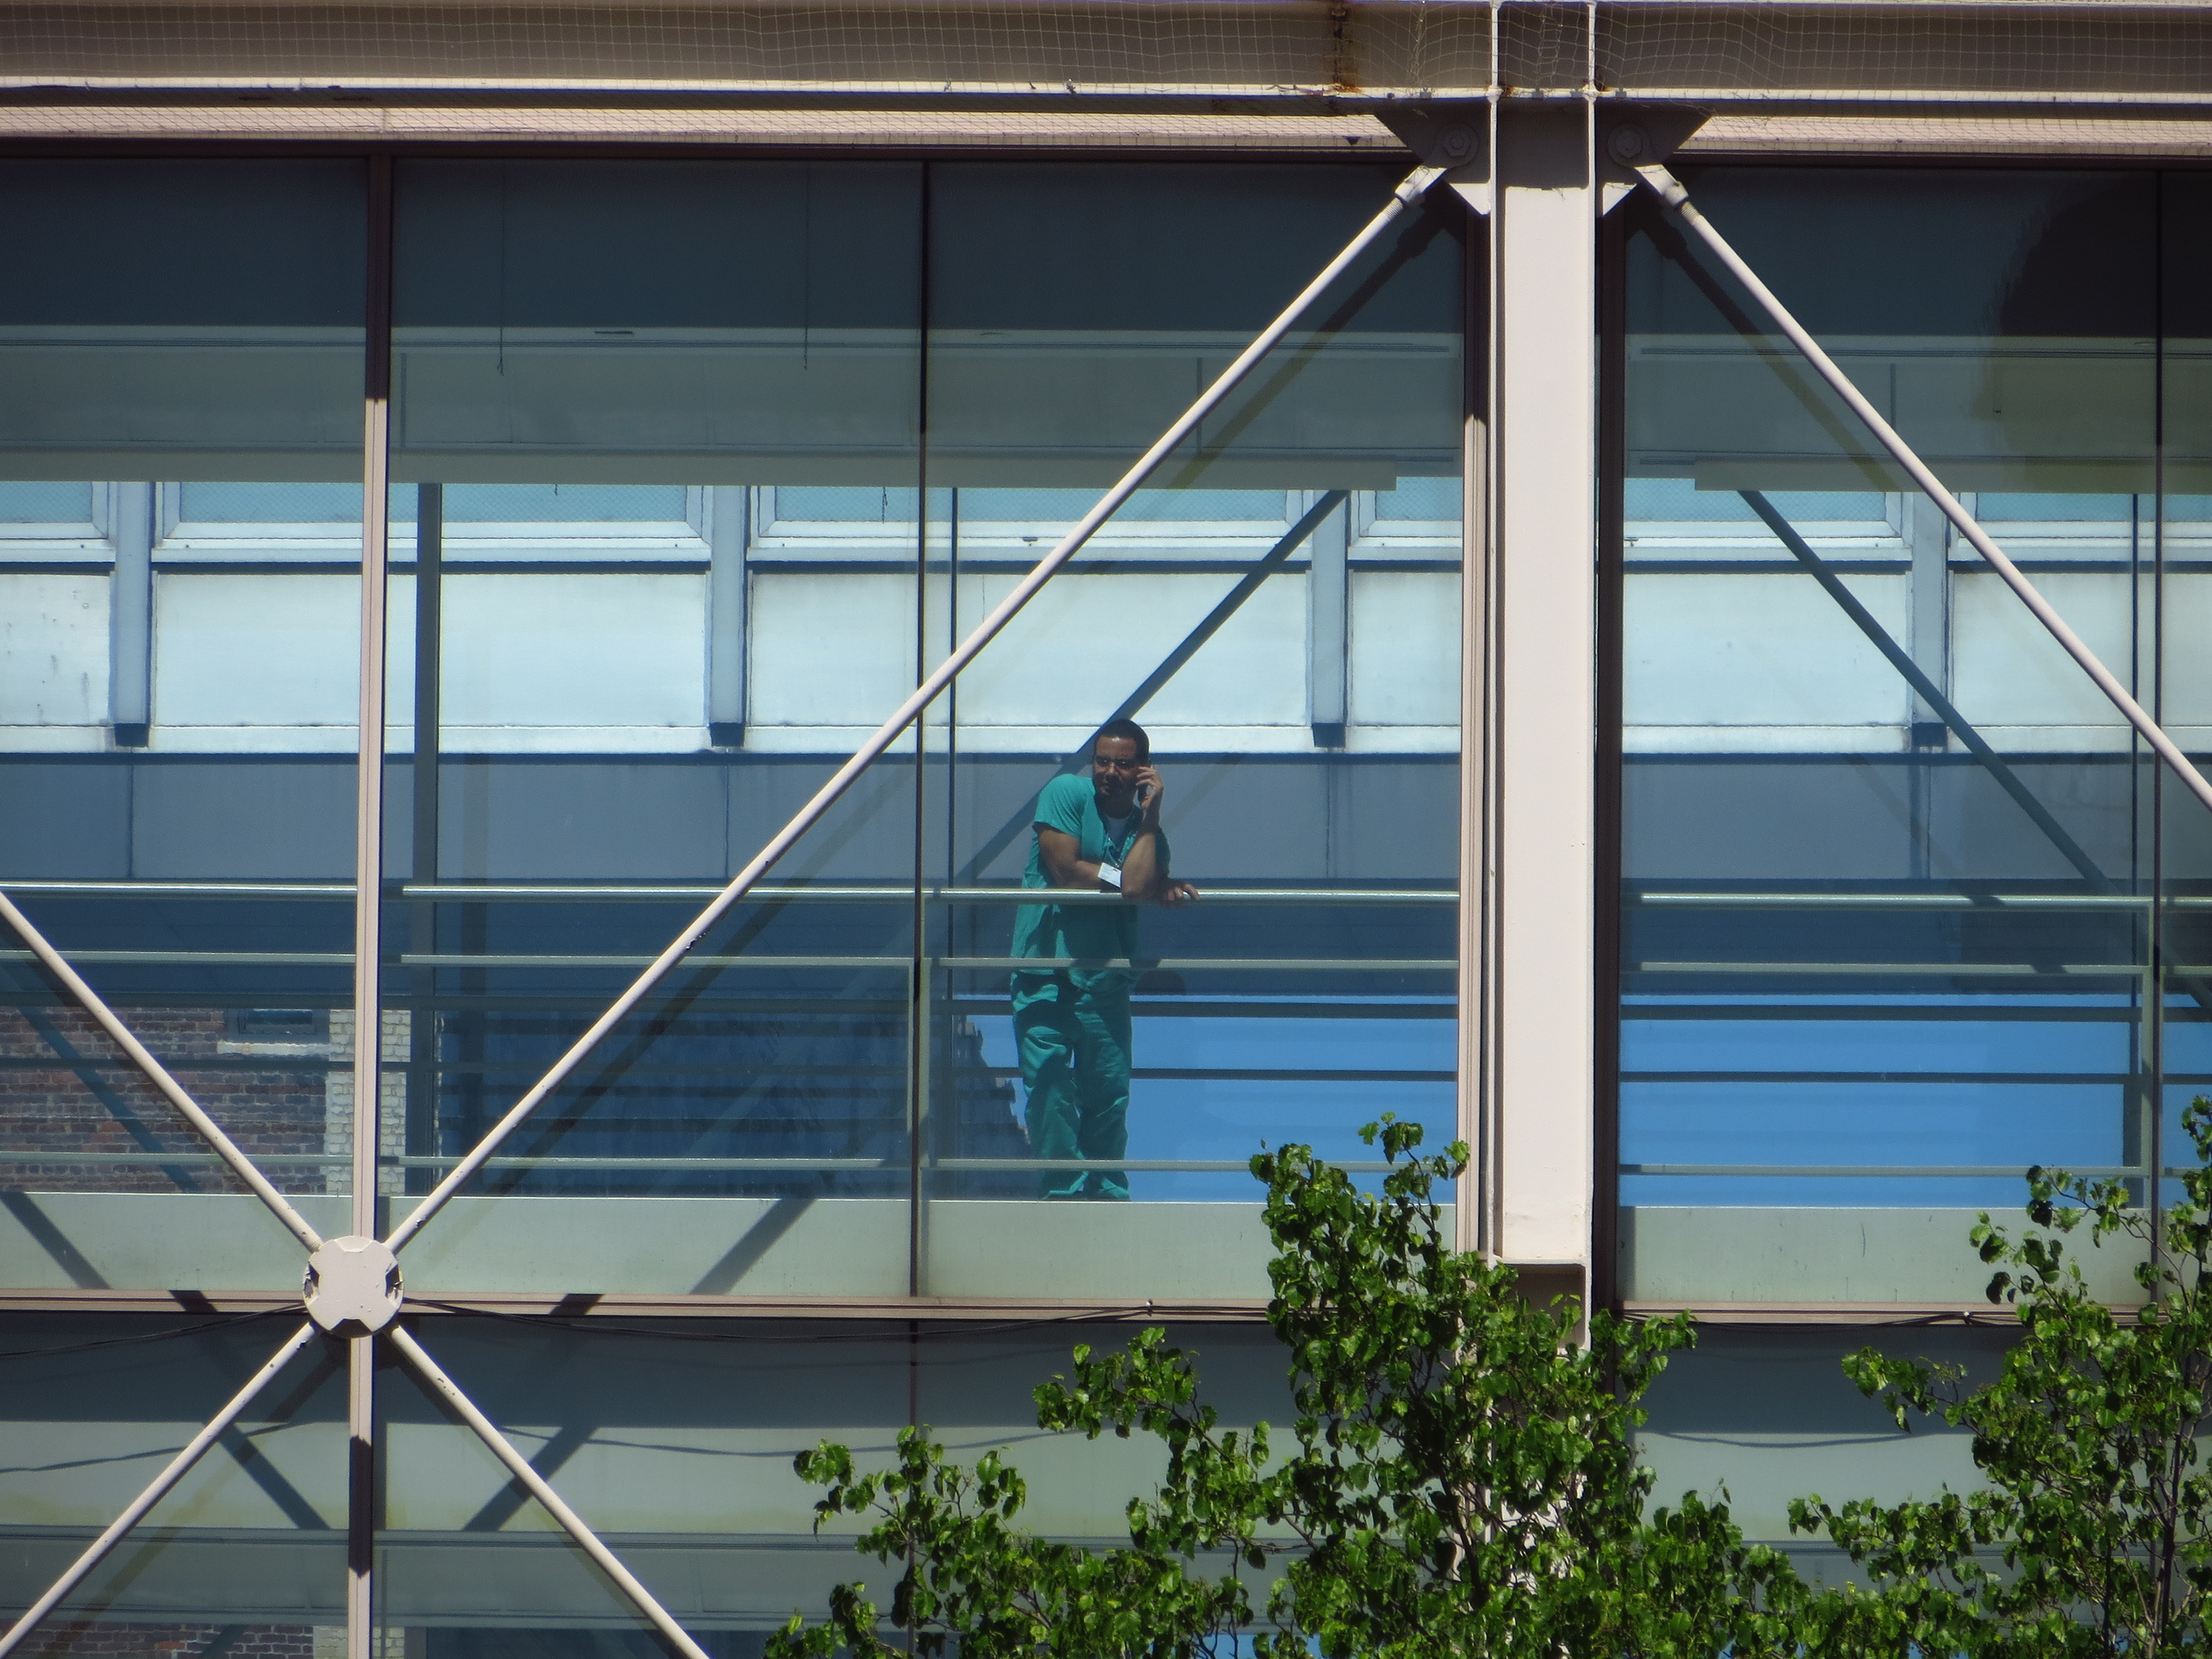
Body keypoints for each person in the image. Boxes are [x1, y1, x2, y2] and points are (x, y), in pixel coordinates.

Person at [1009, 718, 1199, 1200]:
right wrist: (1138, 883)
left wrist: (1151, 817)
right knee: (1049, 1091)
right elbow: (1066, 870)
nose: (1109, 771)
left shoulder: (1148, 834)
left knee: (1109, 1101)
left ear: (1143, 771)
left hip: (1106, 984)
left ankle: (1108, 1200)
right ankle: (1064, 1199)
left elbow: (1142, 880)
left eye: (1123, 763)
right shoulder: (1065, 793)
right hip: (1045, 974)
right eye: (1103, 760)